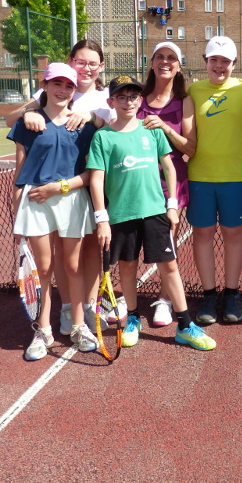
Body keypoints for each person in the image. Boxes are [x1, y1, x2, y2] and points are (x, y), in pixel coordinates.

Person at [87, 75, 215, 351]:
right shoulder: (103, 137)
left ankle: (185, 326)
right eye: (121, 97)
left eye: (133, 96)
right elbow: (96, 179)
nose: (128, 101)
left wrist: (171, 204)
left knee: (170, 266)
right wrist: (102, 218)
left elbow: (169, 167)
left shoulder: (151, 130)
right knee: (128, 266)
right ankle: (132, 318)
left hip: (155, 211)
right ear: (111, 102)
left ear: (140, 99)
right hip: (121, 215)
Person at [5, 40, 115, 338]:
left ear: (101, 66)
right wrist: (29, 112)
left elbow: (112, 130)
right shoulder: (38, 109)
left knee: (84, 257)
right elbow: (13, 126)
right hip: (43, 197)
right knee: (49, 263)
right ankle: (64, 311)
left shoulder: (105, 98)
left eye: (93, 63)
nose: (87, 68)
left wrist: (92, 117)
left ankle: (87, 309)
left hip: (90, 188)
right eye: (81, 61)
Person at [186, 36, 242, 326]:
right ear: (206, 62)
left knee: (233, 235)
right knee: (203, 236)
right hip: (200, 176)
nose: (219, 66)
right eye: (214, 60)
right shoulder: (194, 90)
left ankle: (231, 293)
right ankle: (209, 295)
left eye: (225, 61)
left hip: (235, 177)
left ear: (235, 64)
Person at [137, 41, 197, 328]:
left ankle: (164, 299)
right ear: (151, 62)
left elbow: (192, 148)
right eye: (159, 57)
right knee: (131, 242)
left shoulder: (183, 101)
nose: (165, 61)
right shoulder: (136, 97)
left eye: (171, 58)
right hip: (135, 183)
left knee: (167, 247)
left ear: (179, 65)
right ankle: (130, 298)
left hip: (169, 185)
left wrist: (163, 126)